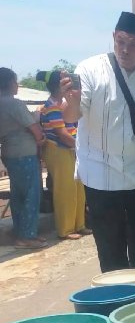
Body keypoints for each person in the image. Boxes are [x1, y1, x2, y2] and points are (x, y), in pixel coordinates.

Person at [61, 12, 135, 272]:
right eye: (121, 41)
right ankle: (117, 303)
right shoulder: (89, 69)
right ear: (113, 37)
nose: (125, 49)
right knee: (111, 250)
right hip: (100, 175)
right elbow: (72, 115)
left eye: (134, 44)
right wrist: (73, 99)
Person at [37, 70, 88, 240]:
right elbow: (61, 133)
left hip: (70, 148)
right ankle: (65, 229)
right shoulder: (51, 105)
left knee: (78, 187)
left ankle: (79, 224)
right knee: (65, 189)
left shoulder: (63, 103)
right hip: (58, 149)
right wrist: (80, 146)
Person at [0, 67, 47, 249]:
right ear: (9, 83)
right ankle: (27, 236)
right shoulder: (14, 104)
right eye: (15, 81)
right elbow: (34, 128)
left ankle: (21, 232)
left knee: (18, 194)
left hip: (9, 152)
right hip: (24, 152)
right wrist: (41, 139)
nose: (17, 85)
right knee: (31, 194)